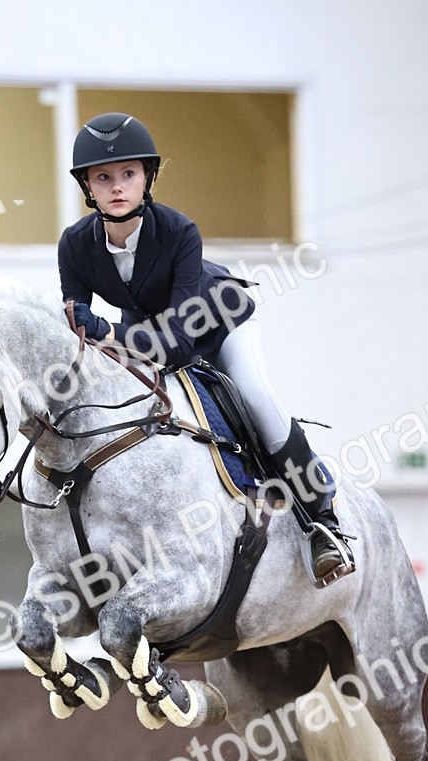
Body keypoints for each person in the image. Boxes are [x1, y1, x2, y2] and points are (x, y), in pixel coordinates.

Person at [58, 112, 354, 585]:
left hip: (219, 321)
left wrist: (108, 333)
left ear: (147, 178)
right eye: (104, 177)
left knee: (256, 399)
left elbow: (174, 347)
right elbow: (75, 327)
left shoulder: (178, 232)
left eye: (128, 174)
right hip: (150, 326)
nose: (117, 186)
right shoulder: (74, 245)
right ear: (87, 188)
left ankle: (324, 522)